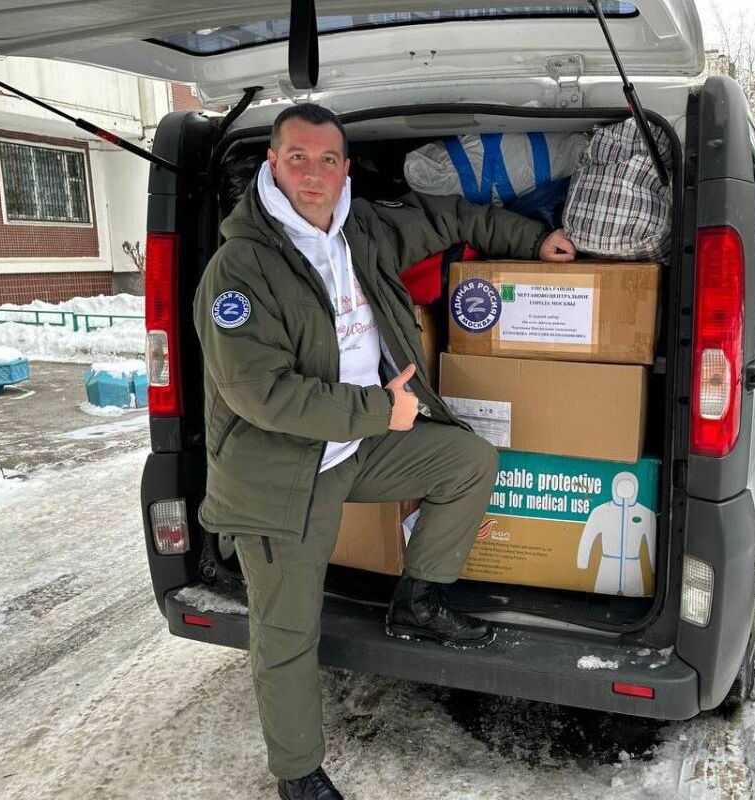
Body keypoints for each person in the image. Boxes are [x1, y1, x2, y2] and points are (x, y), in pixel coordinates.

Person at [193, 103, 576, 800]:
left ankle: (419, 600)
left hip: (358, 446)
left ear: (345, 169)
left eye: (328, 159)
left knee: (467, 462)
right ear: (273, 165)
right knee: (286, 630)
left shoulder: (359, 231)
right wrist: (381, 409)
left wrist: (535, 236)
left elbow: (449, 219)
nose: (314, 173)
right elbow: (261, 395)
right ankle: (297, 773)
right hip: (283, 473)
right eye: (299, 157)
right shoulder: (239, 269)